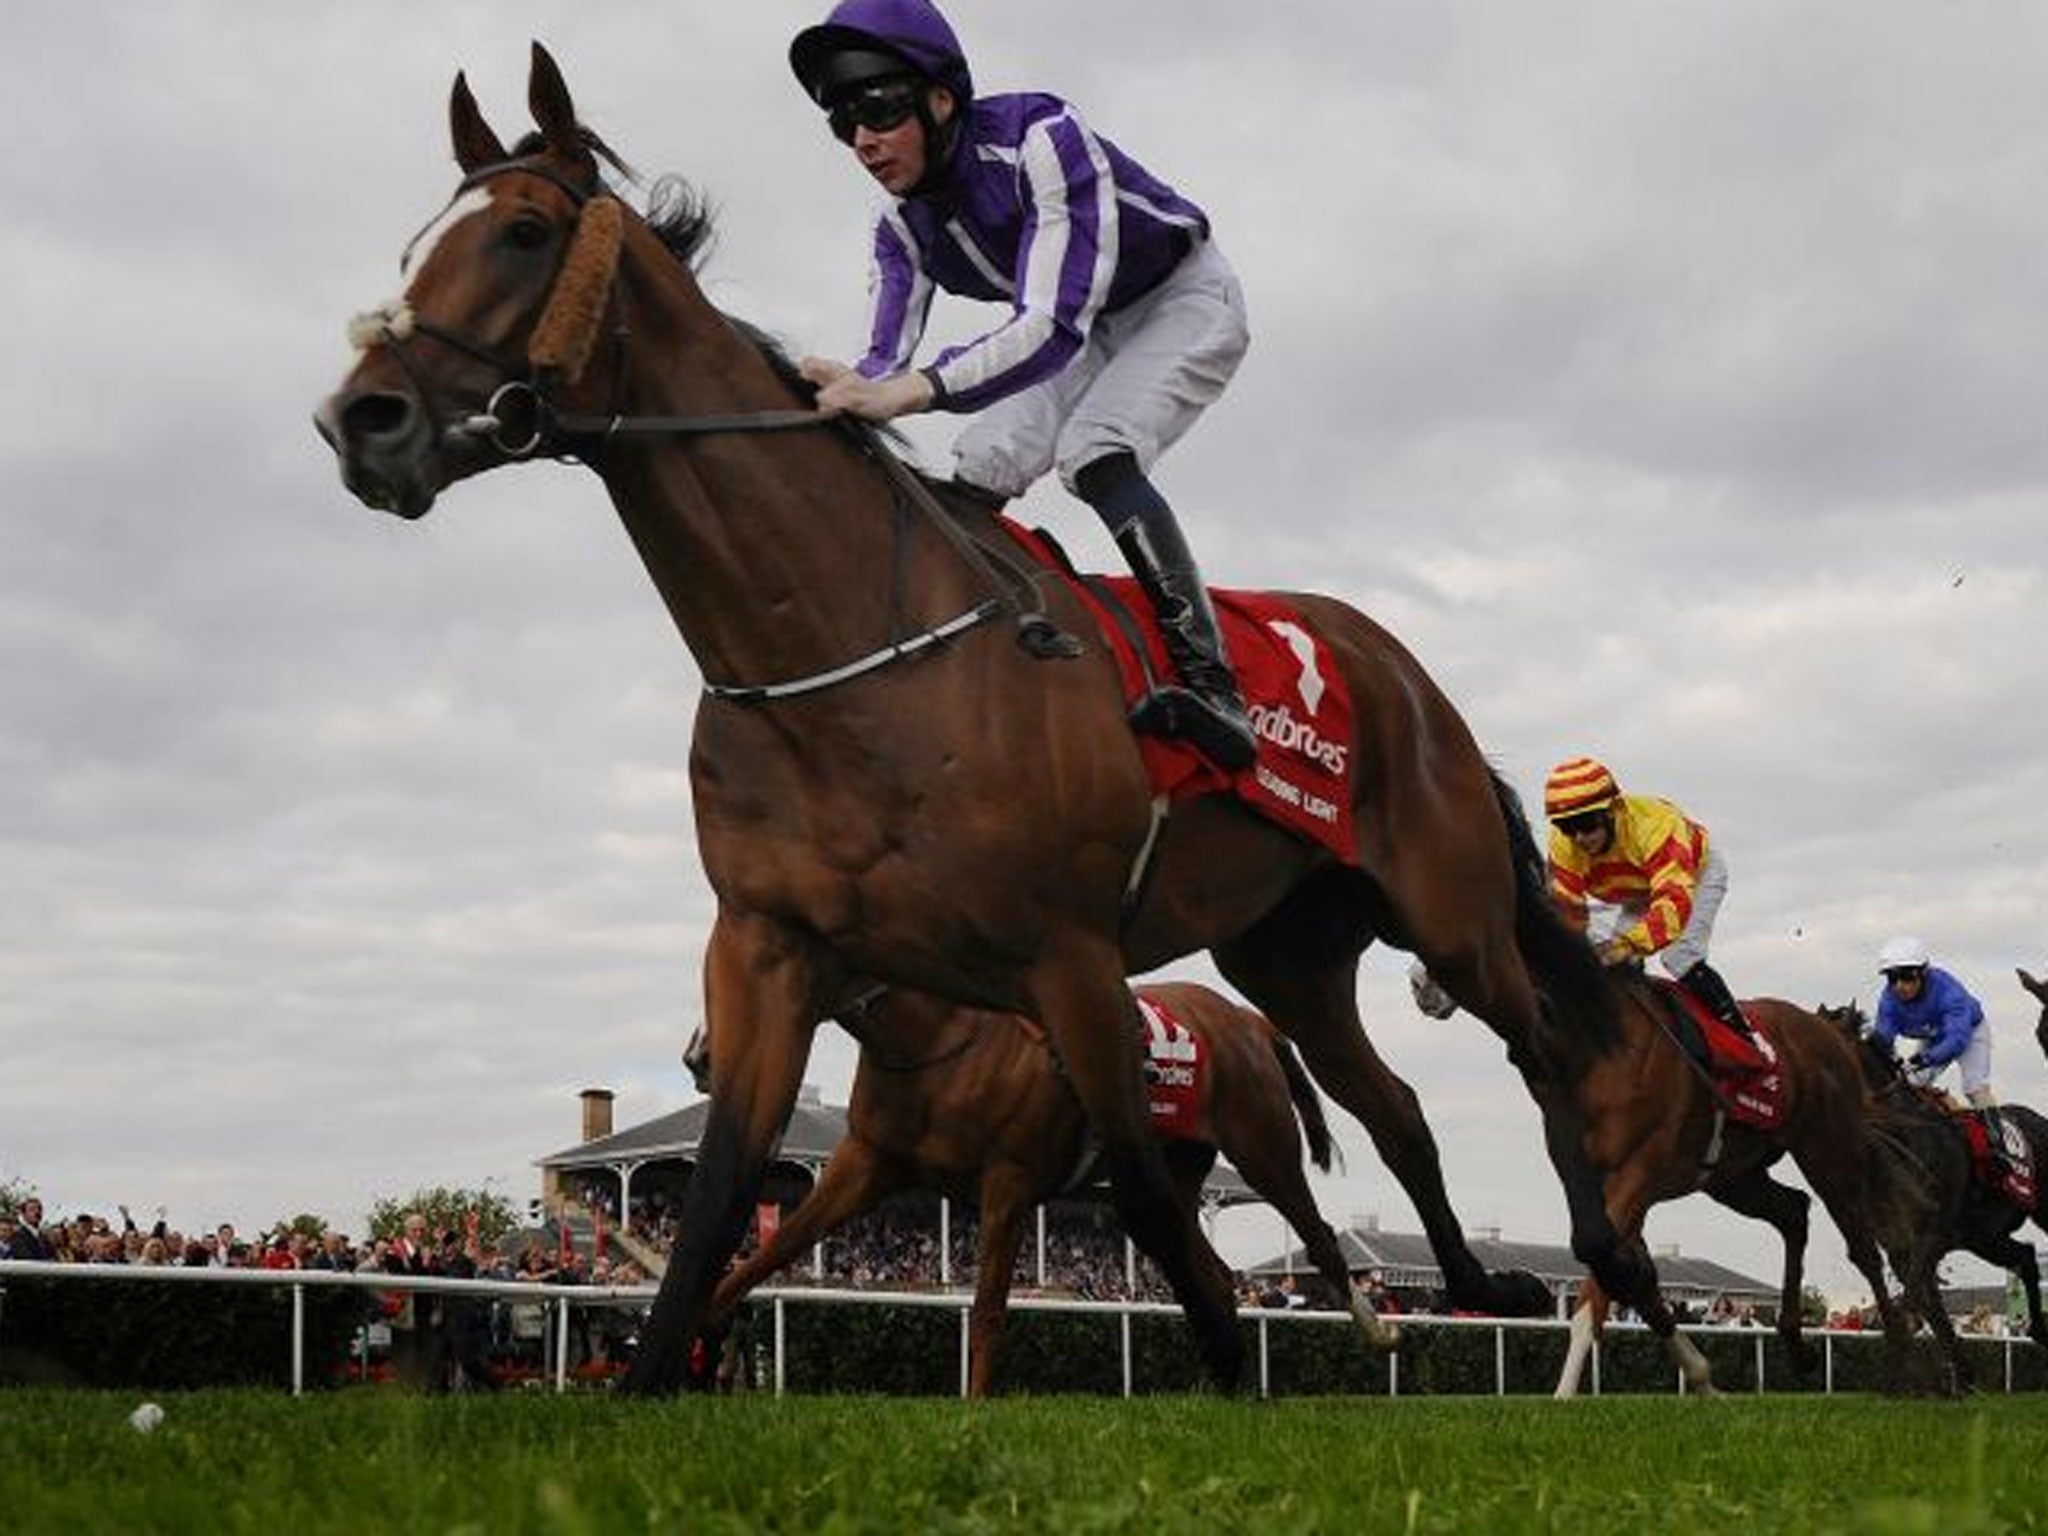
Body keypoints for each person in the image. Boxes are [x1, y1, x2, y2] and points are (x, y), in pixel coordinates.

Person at [788, 0, 1257, 772]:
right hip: (1082, 324)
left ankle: (1215, 688)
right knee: (981, 466)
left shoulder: (1042, 138)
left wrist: (912, 391)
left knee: (1095, 452)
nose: (864, 140)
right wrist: (834, 390)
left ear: (943, 100)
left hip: (1179, 299)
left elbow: (1049, 326)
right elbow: (880, 365)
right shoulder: (901, 228)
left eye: (879, 107)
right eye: (844, 122)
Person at [1542, 756, 1757, 1044]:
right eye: (1567, 826)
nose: (1579, 837)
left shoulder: (1656, 826)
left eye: (1586, 823)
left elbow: (1672, 907)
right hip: (1634, 892)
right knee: (1601, 955)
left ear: (1613, 810)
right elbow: (1568, 911)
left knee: (1679, 957)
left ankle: (1746, 1037)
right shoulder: (1563, 843)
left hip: (1690, 877)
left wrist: (1628, 945)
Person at [1871, 936, 2011, 1154]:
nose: (1899, 986)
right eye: (1892, 978)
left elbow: (1957, 1040)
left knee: (1975, 1087)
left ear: (1923, 973)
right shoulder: (1889, 1000)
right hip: (1933, 1036)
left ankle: (2001, 1148)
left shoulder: (1949, 992)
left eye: (1907, 977)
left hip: (1970, 1033)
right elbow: (1883, 1039)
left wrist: (1925, 1058)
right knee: (1908, 1084)